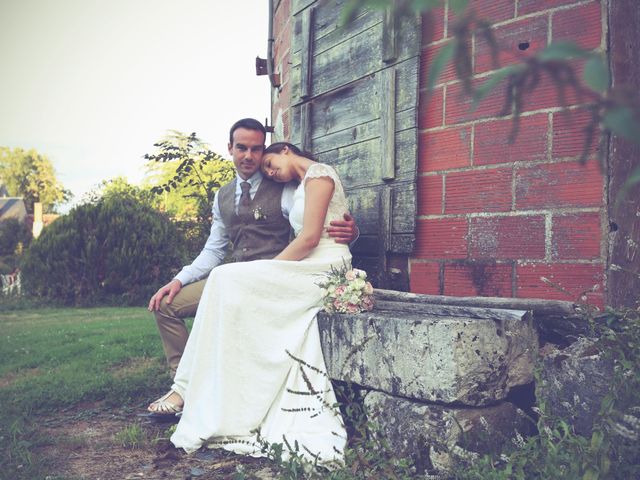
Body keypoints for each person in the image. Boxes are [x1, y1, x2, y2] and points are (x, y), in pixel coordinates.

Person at [147, 118, 357, 414]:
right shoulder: (222, 197)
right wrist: (179, 280)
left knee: (225, 286)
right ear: (230, 148)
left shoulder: (283, 185)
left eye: (257, 150)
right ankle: (186, 383)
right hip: (237, 273)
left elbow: (317, 223)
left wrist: (351, 230)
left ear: (266, 151)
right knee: (166, 305)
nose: (249, 156)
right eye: (242, 148)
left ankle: (191, 389)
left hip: (272, 274)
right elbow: (213, 250)